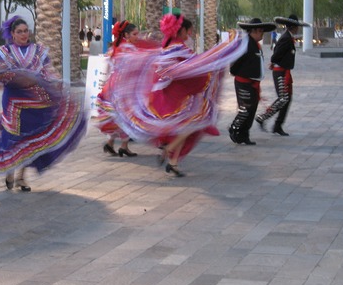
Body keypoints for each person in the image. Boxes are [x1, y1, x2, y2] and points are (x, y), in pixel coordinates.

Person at [99, 13, 247, 177]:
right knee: (193, 122)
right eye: (188, 31)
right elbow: (195, 64)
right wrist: (219, 54)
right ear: (181, 30)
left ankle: (173, 162)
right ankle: (169, 151)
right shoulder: (177, 47)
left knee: (188, 125)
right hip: (174, 98)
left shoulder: (168, 47)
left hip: (169, 95)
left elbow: (187, 65)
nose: (189, 34)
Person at [0, 16, 87, 191]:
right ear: (12, 34)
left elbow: (48, 71)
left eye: (26, 31)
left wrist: (56, 82)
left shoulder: (38, 51)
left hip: (34, 100)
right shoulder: (4, 52)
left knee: (29, 136)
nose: (24, 34)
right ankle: (10, 169)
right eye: (20, 32)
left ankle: (21, 178)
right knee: (12, 135)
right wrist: (15, 78)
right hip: (13, 100)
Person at [256, 14, 310, 136]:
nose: (298, 29)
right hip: (280, 72)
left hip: (284, 71)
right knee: (283, 99)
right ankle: (262, 117)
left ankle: (277, 126)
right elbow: (276, 54)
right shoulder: (286, 38)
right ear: (293, 27)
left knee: (287, 99)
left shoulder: (288, 37)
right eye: (296, 27)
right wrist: (274, 62)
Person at [95, 20, 141, 157]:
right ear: (126, 35)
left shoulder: (114, 48)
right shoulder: (130, 49)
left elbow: (107, 67)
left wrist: (103, 84)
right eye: (134, 34)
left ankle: (111, 143)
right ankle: (123, 146)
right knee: (127, 117)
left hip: (112, 87)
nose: (137, 36)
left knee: (117, 117)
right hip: (125, 89)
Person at [229, 18, 276, 145]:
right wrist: (236, 72)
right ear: (253, 31)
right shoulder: (245, 44)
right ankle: (234, 129)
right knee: (245, 109)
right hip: (244, 82)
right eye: (260, 31)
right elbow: (235, 62)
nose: (262, 34)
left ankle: (244, 135)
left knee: (251, 110)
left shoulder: (255, 44)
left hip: (253, 83)